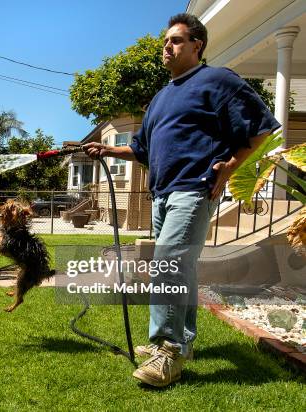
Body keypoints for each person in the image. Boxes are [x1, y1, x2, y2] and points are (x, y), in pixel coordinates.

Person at [84, 13, 280, 387]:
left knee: (168, 266)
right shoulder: (160, 98)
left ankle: (168, 350)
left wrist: (229, 169)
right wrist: (109, 151)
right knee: (181, 272)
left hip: (193, 190)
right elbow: (142, 148)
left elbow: (263, 130)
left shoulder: (218, 81)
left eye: (175, 40)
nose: (166, 47)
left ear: (197, 45)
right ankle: (181, 341)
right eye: (165, 42)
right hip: (161, 194)